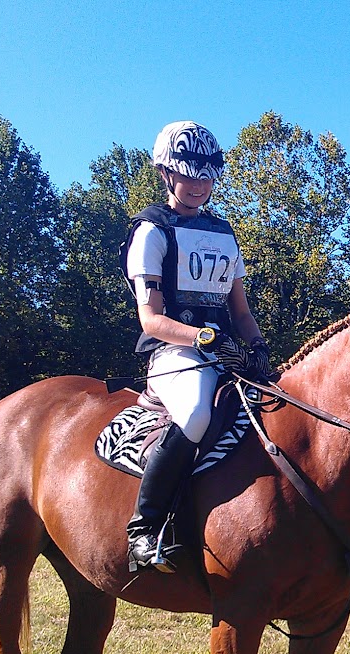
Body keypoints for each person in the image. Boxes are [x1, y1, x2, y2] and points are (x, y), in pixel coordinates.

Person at [121, 121, 276, 573]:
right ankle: (144, 529)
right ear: (166, 174)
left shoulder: (224, 233)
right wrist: (204, 338)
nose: (197, 185)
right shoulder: (152, 231)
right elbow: (150, 318)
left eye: (205, 176)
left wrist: (259, 349)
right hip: (174, 353)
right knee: (195, 414)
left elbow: (241, 311)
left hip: (227, 351)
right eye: (186, 175)